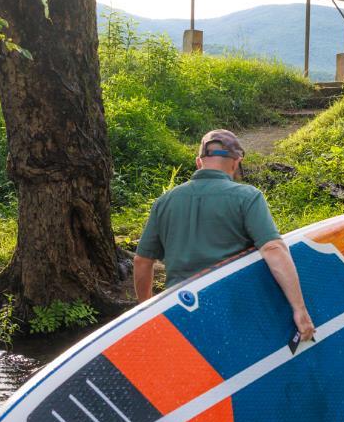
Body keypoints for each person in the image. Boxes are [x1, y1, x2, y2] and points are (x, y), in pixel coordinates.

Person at [133, 129, 316, 343]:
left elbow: (141, 261)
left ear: (198, 162)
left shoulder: (165, 202)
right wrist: (299, 310)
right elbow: (273, 249)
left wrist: (146, 314)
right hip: (233, 312)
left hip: (180, 310)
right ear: (236, 162)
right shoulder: (247, 197)